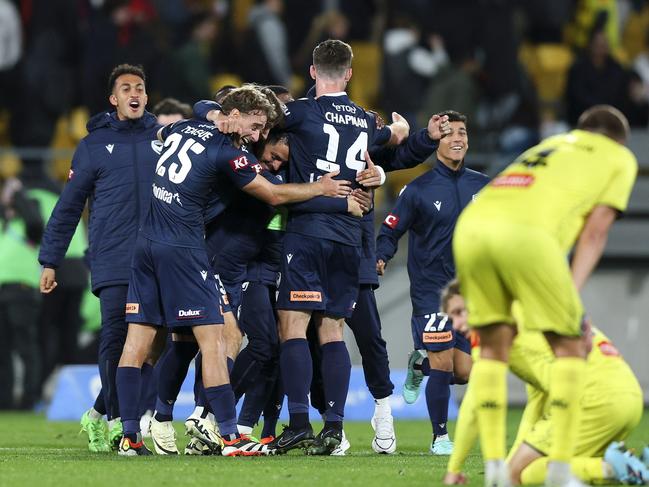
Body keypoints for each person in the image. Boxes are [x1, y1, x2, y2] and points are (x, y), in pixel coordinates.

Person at [114, 85, 353, 457]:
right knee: (217, 339)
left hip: (146, 243)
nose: (257, 136)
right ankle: (230, 435)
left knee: (137, 343)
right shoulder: (227, 152)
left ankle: (130, 436)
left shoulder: (182, 128)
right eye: (255, 125)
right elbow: (272, 196)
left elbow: (166, 131)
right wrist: (320, 187)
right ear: (236, 114)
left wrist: (210, 115)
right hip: (185, 248)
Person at [452, 104, 637, 487]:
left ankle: (494, 472)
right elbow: (596, 232)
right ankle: (559, 472)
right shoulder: (618, 156)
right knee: (570, 346)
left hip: (471, 228)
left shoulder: (549, 145)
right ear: (620, 140)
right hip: (527, 237)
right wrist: (570, 295)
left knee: (491, 352)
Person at [271, 39, 409, 455]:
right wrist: (399, 132)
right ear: (349, 74)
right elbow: (394, 135)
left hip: (309, 229)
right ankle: (333, 428)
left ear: (313, 72)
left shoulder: (299, 111)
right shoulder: (366, 121)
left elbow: (258, 117)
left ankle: (298, 423)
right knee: (332, 329)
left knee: (293, 325)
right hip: (351, 236)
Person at [38, 64, 161, 452]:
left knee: (159, 345)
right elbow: (69, 206)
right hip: (112, 255)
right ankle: (115, 423)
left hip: (159, 257)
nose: (134, 93)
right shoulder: (93, 145)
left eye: (139, 87)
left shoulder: (163, 138)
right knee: (115, 336)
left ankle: (98, 411)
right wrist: (50, 260)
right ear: (114, 98)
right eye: (126, 88)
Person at [442, 291, 646, 486]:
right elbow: (537, 404)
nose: (457, 326)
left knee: (521, 474)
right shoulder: (533, 309)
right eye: (451, 320)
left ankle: (609, 468)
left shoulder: (495, 329)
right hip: (630, 397)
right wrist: (513, 460)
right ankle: (633, 465)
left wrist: (454, 468)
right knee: (526, 469)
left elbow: (474, 404)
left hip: (594, 400)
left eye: (461, 312)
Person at [376, 110, 489, 455]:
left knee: (464, 372)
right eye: (449, 133)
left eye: (462, 133)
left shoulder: (483, 185)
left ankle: (418, 364)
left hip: (470, 290)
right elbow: (391, 228)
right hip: (431, 290)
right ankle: (440, 437)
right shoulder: (418, 189)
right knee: (442, 363)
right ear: (437, 141)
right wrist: (381, 255)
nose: (457, 139)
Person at [0, 171, 43, 409]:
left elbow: (35, 221)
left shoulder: (29, 224)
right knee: (3, 349)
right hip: (2, 290)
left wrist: (19, 193)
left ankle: (29, 399)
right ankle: (4, 401)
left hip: (22, 290)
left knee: (26, 348)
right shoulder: (5, 222)